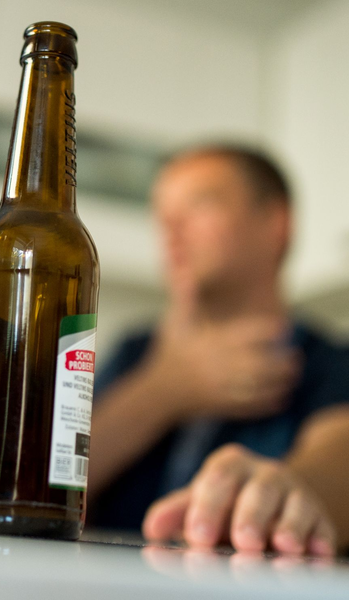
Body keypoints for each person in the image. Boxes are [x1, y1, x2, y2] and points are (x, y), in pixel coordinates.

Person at [87, 144, 349, 555]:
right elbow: (43, 481)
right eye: (162, 213)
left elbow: (339, 460)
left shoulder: (329, 363)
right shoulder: (135, 354)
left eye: (200, 203)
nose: (171, 226)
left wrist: (283, 495)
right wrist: (166, 390)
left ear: (275, 224)